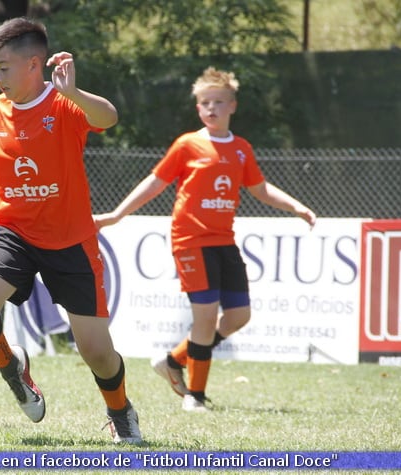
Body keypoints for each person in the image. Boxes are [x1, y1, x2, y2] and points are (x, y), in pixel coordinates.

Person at [0, 17, 141, 444]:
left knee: (96, 352)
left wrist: (74, 92)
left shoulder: (62, 104)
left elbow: (107, 117)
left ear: (34, 64)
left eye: (3, 68)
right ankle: (12, 367)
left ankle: (120, 411)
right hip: (12, 232)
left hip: (71, 241)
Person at [94, 67, 316, 412]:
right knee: (205, 317)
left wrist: (297, 206)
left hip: (223, 241)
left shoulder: (241, 149)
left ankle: (173, 360)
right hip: (190, 239)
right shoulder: (188, 144)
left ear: (232, 106)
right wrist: (116, 215)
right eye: (204, 103)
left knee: (239, 315)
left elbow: (260, 189)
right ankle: (194, 396)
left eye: (218, 102)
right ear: (198, 108)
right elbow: (155, 183)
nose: (210, 108)